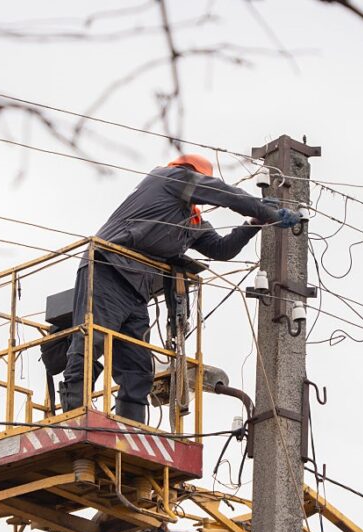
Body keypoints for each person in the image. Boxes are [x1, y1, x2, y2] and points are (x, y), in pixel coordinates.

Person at [59, 154, 300, 423]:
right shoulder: (169, 178)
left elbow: (221, 249)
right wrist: (265, 210)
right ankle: (73, 415)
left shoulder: (190, 220)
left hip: (136, 290)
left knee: (137, 367)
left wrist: (255, 223)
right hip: (107, 267)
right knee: (92, 340)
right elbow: (223, 193)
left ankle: (130, 427)